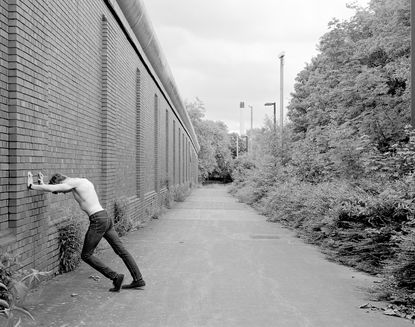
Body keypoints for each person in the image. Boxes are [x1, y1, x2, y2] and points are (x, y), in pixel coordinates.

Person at [27, 172, 145, 292]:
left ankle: (115, 277)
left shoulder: (71, 184)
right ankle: (138, 279)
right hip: (105, 217)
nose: (63, 193)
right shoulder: (82, 181)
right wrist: (42, 184)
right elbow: (54, 189)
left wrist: (32, 186)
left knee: (86, 255)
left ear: (60, 182)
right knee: (121, 250)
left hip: (98, 220)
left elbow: (55, 188)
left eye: (62, 190)